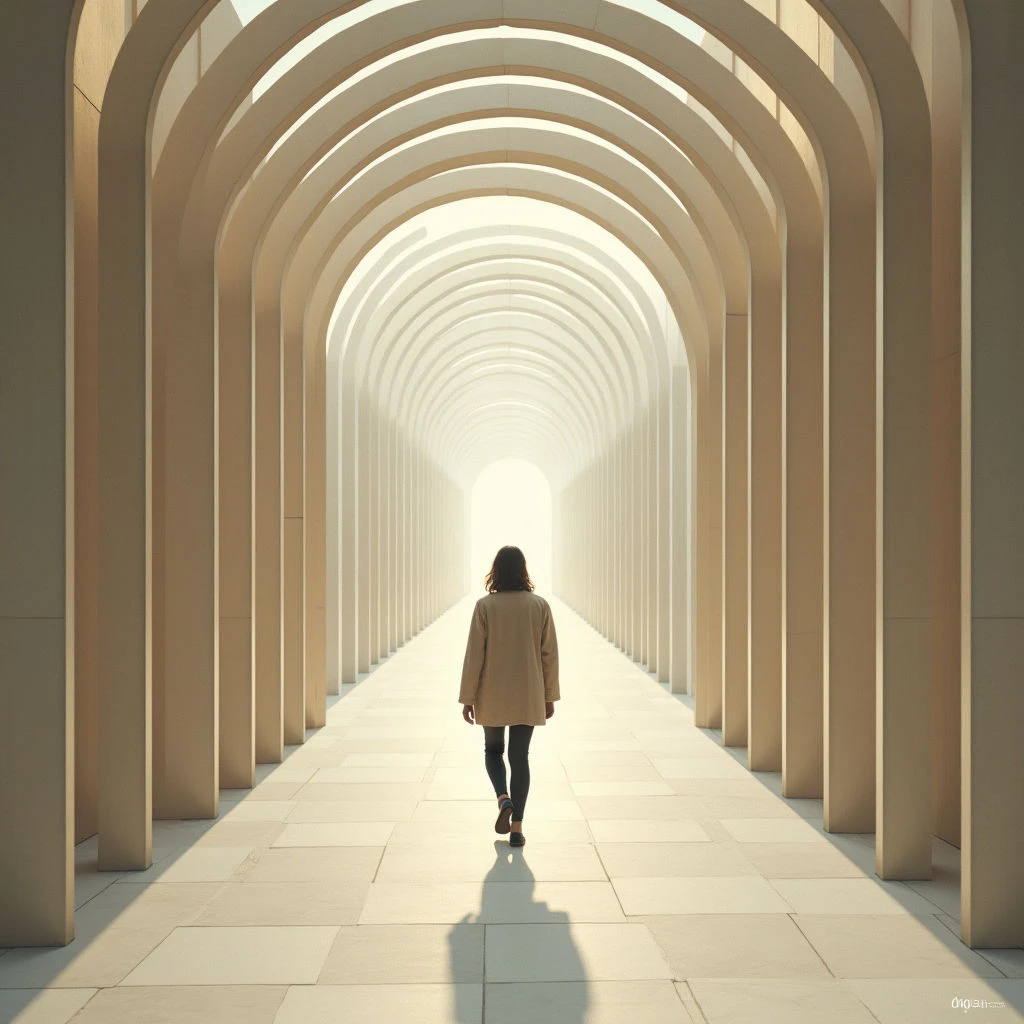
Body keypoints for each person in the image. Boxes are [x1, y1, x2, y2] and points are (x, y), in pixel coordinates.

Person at [458, 545, 559, 847]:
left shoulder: (485, 607)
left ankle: (503, 798)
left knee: (493, 751)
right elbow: (548, 655)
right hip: (528, 692)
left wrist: (467, 697)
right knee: (520, 757)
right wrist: (549, 695)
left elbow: (474, 655)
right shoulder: (539, 605)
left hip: (492, 691)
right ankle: (516, 829)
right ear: (524, 570)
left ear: (496, 571)